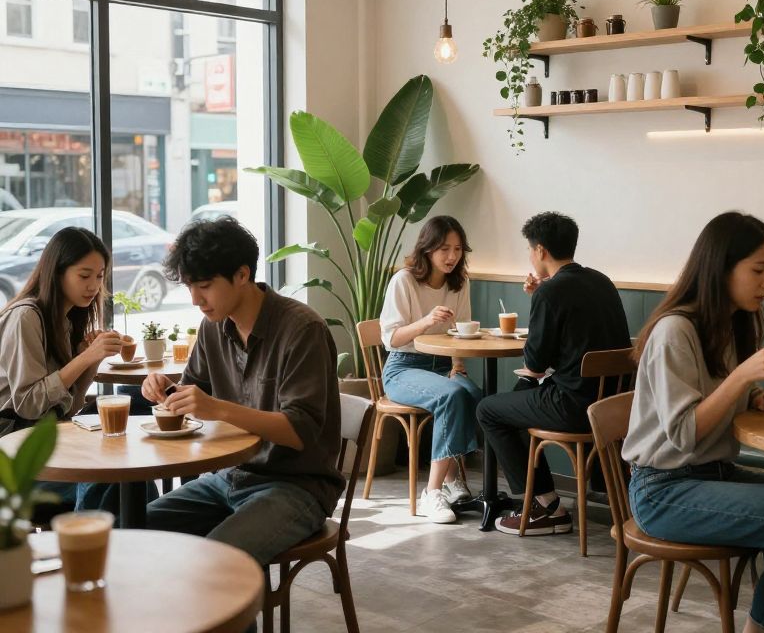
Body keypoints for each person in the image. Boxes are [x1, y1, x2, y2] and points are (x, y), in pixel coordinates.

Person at [622, 211, 764, 633]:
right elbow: (685, 434)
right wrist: (743, 376)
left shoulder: (729, 325)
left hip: (712, 475)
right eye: (758, 270)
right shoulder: (675, 331)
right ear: (721, 268)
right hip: (663, 490)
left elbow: (716, 406)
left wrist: (756, 398)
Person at [142, 218, 343, 565]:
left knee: (218, 562)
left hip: (297, 487)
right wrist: (166, 390)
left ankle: (226, 617)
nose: (195, 300)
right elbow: (195, 392)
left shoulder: (302, 330)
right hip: (229, 476)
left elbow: (300, 431)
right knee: (133, 532)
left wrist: (217, 408)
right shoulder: (213, 328)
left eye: (204, 286)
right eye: (190, 287)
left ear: (242, 274)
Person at [477, 211, 630, 536]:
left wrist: (540, 300)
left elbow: (535, 362)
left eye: (530, 250)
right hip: (613, 404)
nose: (531, 256)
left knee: (489, 409)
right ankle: (545, 505)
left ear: (541, 250)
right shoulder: (600, 281)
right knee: (516, 400)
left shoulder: (551, 292)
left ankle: (547, 507)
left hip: (572, 405)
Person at [0, 227, 126, 511]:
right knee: (112, 481)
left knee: (127, 476)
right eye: (84, 275)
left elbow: (68, 409)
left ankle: (125, 546)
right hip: (12, 457)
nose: (94, 286)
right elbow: (29, 405)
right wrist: (83, 359)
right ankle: (90, 546)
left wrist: (90, 360)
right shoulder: (25, 317)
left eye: (99, 276)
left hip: (43, 445)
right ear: (57, 272)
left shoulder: (65, 322)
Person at [379, 215, 482, 524]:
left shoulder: (459, 283)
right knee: (451, 396)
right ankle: (433, 491)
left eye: (458, 249)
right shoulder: (404, 281)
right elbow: (391, 339)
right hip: (403, 368)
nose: (452, 257)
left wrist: (458, 366)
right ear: (427, 249)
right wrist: (426, 321)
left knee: (473, 395)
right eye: (444, 249)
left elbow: (459, 333)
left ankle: (452, 482)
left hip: (443, 365)